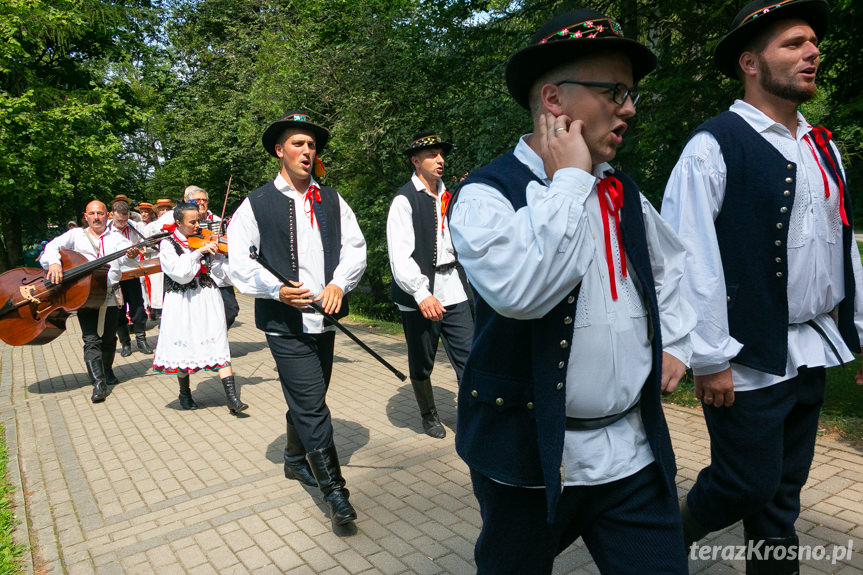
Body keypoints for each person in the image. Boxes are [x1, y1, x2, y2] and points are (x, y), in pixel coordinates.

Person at [447, 8, 696, 574]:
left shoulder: (622, 192)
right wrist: (571, 181)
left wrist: (679, 343)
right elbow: (523, 291)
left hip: (633, 453)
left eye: (630, 93)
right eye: (615, 91)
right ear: (554, 100)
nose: (629, 108)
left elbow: (673, 269)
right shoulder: (486, 195)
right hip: (528, 461)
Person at [659, 1, 863, 571]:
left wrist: (860, 331)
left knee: (782, 495)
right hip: (744, 356)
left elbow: (842, 247)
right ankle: (654, 549)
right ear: (750, 62)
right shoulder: (713, 145)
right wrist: (709, 357)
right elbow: (689, 257)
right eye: (793, 43)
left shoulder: (824, 148)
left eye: (813, 43)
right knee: (744, 483)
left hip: (813, 347)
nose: (812, 52)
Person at [228, 110, 367, 531]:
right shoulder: (255, 204)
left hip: (324, 319)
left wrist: (339, 284)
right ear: (279, 151)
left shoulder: (331, 199)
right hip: (282, 324)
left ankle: (293, 459)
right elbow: (238, 261)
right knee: (311, 403)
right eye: (298, 144)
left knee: (308, 397)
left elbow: (356, 249)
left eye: (311, 145)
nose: (307, 152)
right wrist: (275, 290)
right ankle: (335, 493)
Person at [386, 131, 473, 439]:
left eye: (441, 154)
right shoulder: (404, 201)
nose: (440, 160)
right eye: (432, 155)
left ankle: (475, 417)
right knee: (423, 359)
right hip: (418, 292)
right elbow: (400, 256)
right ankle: (428, 413)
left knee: (470, 354)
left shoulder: (451, 196)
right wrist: (422, 294)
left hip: (454, 287)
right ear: (416, 161)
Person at [39, 200, 142, 402]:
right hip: (84, 296)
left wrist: (132, 254)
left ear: (107, 216)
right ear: (85, 216)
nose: (96, 217)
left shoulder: (116, 238)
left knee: (109, 338)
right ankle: (98, 383)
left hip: (110, 294)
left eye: (100, 213)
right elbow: (52, 246)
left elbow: (130, 260)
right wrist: (54, 262)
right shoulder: (76, 235)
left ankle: (108, 371)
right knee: (91, 339)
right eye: (92, 213)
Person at [152, 202, 248, 415]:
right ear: (178, 222)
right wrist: (198, 253)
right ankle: (185, 393)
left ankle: (232, 398)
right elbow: (181, 274)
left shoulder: (206, 239)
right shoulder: (167, 244)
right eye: (192, 222)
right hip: (181, 301)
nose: (198, 225)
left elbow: (222, 274)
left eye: (199, 220)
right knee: (184, 345)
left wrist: (226, 259)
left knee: (219, 340)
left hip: (207, 297)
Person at [184, 185, 240, 328]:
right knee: (202, 314)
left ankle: (218, 337)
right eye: (197, 200)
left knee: (230, 310)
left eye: (204, 200)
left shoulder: (217, 219)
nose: (201, 203)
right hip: (196, 275)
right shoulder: (183, 221)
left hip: (219, 273)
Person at [108, 200, 153, 357]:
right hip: (114, 275)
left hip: (132, 272)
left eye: (124, 219)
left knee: (138, 307)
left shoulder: (134, 226)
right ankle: (125, 343)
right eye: (119, 220)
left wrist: (141, 247)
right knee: (119, 310)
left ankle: (141, 340)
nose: (122, 223)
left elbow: (147, 240)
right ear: (111, 214)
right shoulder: (106, 229)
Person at [145, 198, 176, 321]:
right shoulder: (151, 226)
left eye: (167, 209)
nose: (164, 212)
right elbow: (143, 246)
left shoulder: (176, 226)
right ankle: (158, 312)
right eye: (161, 210)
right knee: (158, 289)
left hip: (172, 262)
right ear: (157, 213)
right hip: (156, 261)